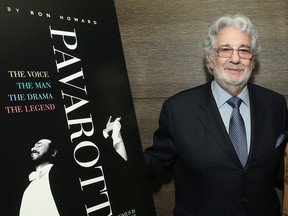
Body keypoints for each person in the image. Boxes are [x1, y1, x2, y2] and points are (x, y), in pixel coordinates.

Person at [144, 14, 288, 216]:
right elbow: (152, 165)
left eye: (244, 51)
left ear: (252, 61)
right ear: (210, 59)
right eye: (225, 50)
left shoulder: (275, 104)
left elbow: (281, 170)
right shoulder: (178, 110)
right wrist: (115, 148)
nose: (235, 58)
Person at [19, 138, 60, 216]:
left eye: (39, 145)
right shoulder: (29, 186)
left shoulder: (59, 174)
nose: (33, 149)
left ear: (53, 153)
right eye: (33, 146)